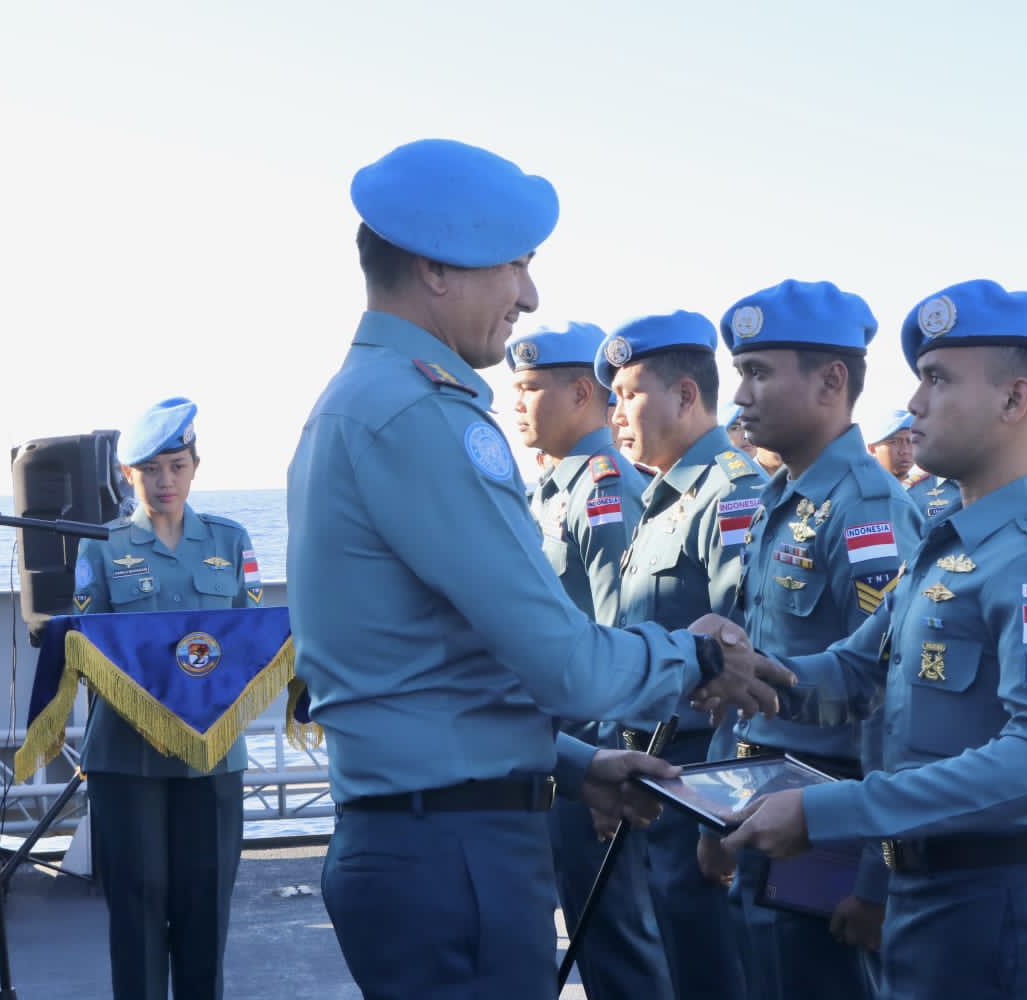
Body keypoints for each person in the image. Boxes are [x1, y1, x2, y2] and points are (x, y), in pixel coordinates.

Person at [286, 138, 790, 998]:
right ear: (436, 268)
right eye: (515, 265)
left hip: (425, 845)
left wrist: (578, 766)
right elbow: (564, 663)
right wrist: (701, 655)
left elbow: (434, 678)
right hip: (453, 859)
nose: (528, 295)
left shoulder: (364, 402)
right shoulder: (420, 416)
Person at [719, 279, 1027, 1000]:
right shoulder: (950, 547)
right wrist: (741, 671)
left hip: (1002, 909)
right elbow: (853, 674)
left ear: (1014, 400)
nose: (913, 404)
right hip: (927, 897)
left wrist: (827, 813)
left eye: (937, 380)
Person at [704, 279, 924, 1000]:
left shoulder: (867, 507)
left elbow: (886, 694)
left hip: (825, 818)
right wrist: (714, 806)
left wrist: (877, 873)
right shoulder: (781, 497)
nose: (741, 396)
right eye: (741, 373)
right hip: (759, 797)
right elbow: (751, 668)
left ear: (832, 381)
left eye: (759, 373)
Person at [598, 310, 767, 1000]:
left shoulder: (732, 492)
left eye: (630, 394)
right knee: (674, 953)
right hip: (653, 767)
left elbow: (741, 653)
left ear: (686, 395)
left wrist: (721, 802)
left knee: (711, 966)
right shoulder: (661, 497)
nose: (616, 414)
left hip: (698, 770)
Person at [506, 321, 676, 1000]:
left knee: (618, 940)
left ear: (581, 393)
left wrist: (606, 765)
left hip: (594, 750)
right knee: (588, 928)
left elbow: (616, 633)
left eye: (528, 388)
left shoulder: (606, 491)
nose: (516, 403)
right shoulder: (549, 491)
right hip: (561, 749)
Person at [70, 396, 260, 1000]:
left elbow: (252, 643)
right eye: (150, 469)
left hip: (211, 755)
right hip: (128, 757)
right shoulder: (101, 547)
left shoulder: (230, 541)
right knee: (137, 911)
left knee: (207, 911)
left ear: (195, 466)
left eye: (177, 466)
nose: (165, 481)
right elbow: (86, 651)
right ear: (127, 474)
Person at [865, 409, 915, 483]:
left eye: (911, 442)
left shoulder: (926, 487)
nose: (905, 451)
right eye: (893, 442)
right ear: (872, 449)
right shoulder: (858, 487)